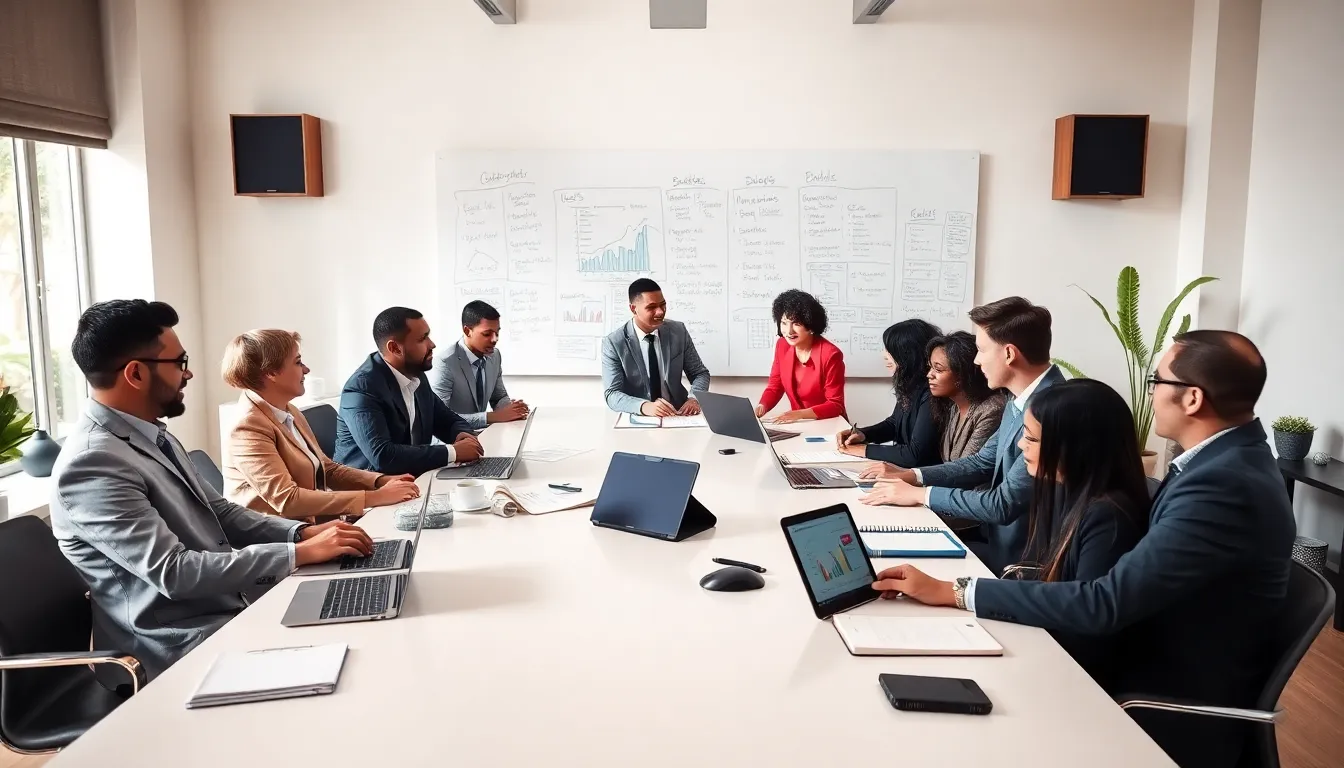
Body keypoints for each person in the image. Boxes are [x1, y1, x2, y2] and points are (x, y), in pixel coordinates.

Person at [871, 331, 1295, 768]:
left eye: (1158, 381)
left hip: (1157, 681)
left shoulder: (1222, 484)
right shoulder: (1220, 463)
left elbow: (1105, 602)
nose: (1150, 394)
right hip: (1132, 645)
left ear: (1191, 399)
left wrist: (957, 592)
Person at [50, 300, 373, 683]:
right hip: (175, 645)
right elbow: (174, 572)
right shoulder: (91, 464)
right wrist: (297, 553)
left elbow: (221, 512)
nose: (189, 374)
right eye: (179, 362)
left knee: (363, 619)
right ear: (135, 374)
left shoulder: (150, 434)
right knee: (351, 655)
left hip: (226, 609)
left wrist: (300, 533)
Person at [857, 296, 1062, 574]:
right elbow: (981, 462)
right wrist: (914, 476)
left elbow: (1003, 503)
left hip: (1023, 564)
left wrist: (922, 494)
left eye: (981, 350)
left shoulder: (1053, 409)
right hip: (1000, 546)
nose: (976, 361)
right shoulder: (1021, 400)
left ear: (1009, 354)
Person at [999, 379, 1148, 685]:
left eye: (1031, 438)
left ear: (1073, 446)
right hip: (1051, 650)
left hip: (1076, 678)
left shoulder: (1109, 516)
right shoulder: (1065, 491)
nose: (1020, 446)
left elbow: (1086, 626)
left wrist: (966, 595)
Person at [221, 329, 421, 524]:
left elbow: (327, 469)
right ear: (271, 372)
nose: (306, 370)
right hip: (279, 543)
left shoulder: (288, 409)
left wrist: (380, 481)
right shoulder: (247, 427)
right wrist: (375, 497)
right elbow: (288, 500)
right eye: (298, 362)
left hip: (309, 526)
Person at [334, 307, 482, 477]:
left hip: (410, 481)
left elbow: (446, 419)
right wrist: (453, 452)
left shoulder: (415, 374)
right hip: (367, 491)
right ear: (395, 348)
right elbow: (383, 456)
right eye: (422, 339)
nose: (432, 344)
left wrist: (461, 435)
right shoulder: (362, 388)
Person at [920, 331, 1009, 534]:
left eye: (938, 369)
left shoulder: (992, 409)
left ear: (961, 375)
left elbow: (969, 471)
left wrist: (916, 488)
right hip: (950, 503)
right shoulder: (952, 404)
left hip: (972, 516)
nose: (929, 375)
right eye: (930, 367)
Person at [600, 278, 711, 416]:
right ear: (633, 309)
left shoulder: (679, 331)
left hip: (678, 415)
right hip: (639, 417)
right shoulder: (613, 343)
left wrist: (695, 398)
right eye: (651, 307)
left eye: (663, 305)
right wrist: (644, 406)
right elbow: (612, 394)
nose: (660, 312)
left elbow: (699, 373)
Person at [837, 319, 941, 465]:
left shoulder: (932, 392)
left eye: (890, 350)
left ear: (908, 354)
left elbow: (915, 454)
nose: (884, 355)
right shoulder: (911, 384)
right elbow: (894, 423)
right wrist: (863, 434)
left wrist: (865, 450)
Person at [429, 300, 529, 429]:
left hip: (481, 434)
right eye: (487, 334)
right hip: (451, 442)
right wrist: (494, 416)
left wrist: (512, 410)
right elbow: (440, 418)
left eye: (497, 332)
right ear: (467, 331)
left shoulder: (495, 356)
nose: (495, 339)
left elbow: (499, 397)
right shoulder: (445, 363)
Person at [755, 289, 846, 423]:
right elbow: (775, 387)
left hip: (830, 425)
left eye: (796, 323)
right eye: (784, 323)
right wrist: (762, 406)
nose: (789, 331)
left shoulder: (830, 354)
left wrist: (799, 414)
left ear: (810, 325)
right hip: (800, 425)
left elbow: (835, 405)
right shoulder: (782, 345)